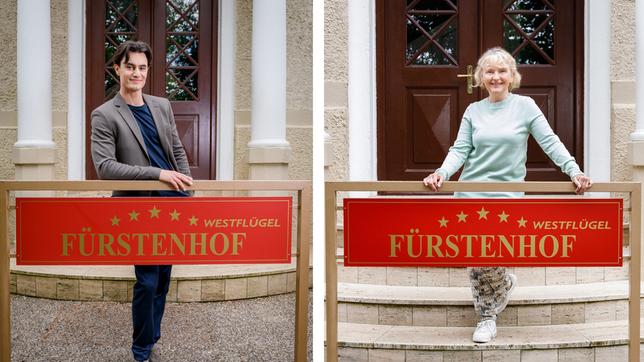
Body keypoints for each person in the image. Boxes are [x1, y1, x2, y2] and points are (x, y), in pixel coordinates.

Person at [422, 47, 592, 343]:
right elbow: (460, 149)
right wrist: (442, 173)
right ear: (481, 77)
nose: (496, 77)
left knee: (491, 256)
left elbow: (550, 142)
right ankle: (486, 318)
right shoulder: (473, 111)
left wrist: (574, 171)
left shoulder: (525, 106)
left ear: (512, 76)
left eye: (502, 71)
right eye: (489, 71)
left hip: (505, 198)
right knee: (476, 260)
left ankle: (499, 290)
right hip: (470, 194)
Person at [91, 40, 193, 361]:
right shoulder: (105, 114)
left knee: (164, 277)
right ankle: (141, 349)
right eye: (130, 66)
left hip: (173, 204)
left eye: (142, 67)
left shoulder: (161, 105)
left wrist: (187, 188)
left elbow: (176, 150)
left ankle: (151, 335)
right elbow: (106, 167)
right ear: (118, 68)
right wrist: (157, 174)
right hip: (138, 208)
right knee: (147, 280)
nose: (137, 73)